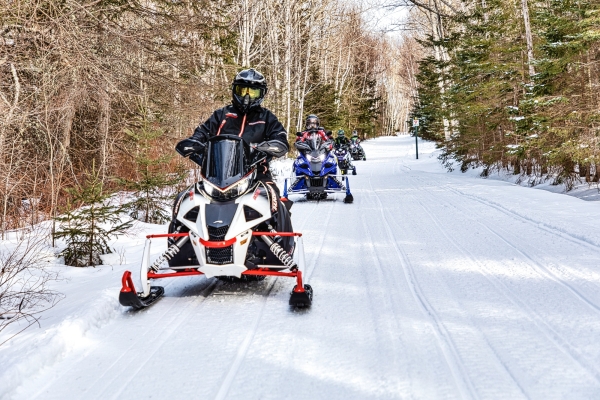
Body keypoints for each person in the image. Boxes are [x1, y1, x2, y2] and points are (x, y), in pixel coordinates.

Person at [176, 68, 288, 201]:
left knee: (274, 200)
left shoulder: (267, 117)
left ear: (261, 94)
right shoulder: (221, 115)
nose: (247, 97)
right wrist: (195, 143)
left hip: (257, 174)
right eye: (242, 90)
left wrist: (272, 145)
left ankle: (279, 221)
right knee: (184, 201)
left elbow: (279, 135)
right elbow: (203, 132)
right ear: (235, 90)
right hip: (216, 177)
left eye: (252, 92)